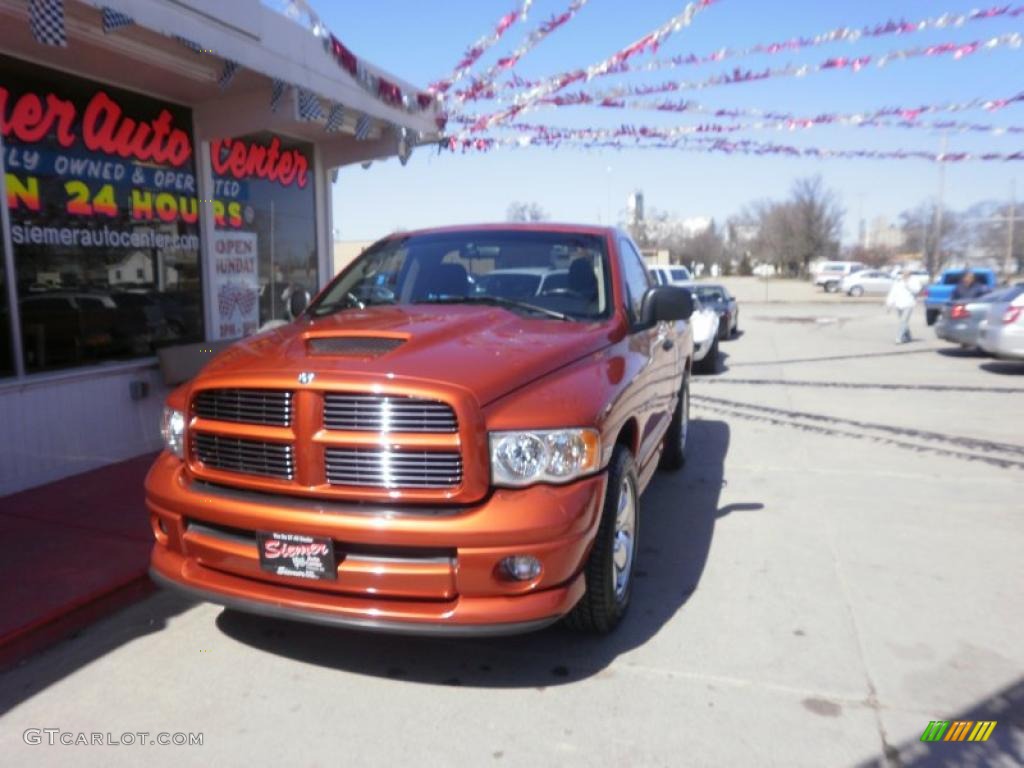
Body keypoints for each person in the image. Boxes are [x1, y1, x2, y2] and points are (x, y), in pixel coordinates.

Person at [885, 270, 922, 344]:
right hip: (899, 304)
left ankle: (899, 337)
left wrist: (907, 284)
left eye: (906, 273)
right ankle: (908, 336)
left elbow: (917, 290)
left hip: (908, 304)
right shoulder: (898, 281)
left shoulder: (914, 281)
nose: (904, 275)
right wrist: (889, 304)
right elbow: (893, 293)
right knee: (903, 322)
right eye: (903, 274)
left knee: (903, 321)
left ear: (910, 274)